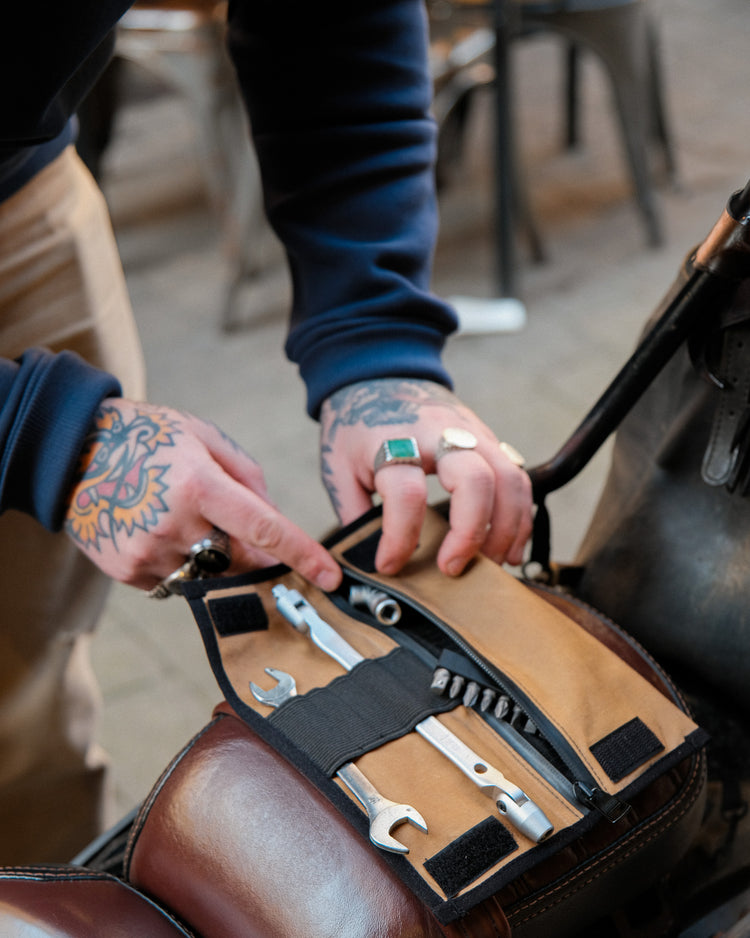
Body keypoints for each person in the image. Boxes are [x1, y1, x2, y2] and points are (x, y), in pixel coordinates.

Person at [0, 0, 532, 863]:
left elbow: (330, 23)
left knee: (24, 715)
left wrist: (375, 347)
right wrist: (40, 439)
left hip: (17, 194)